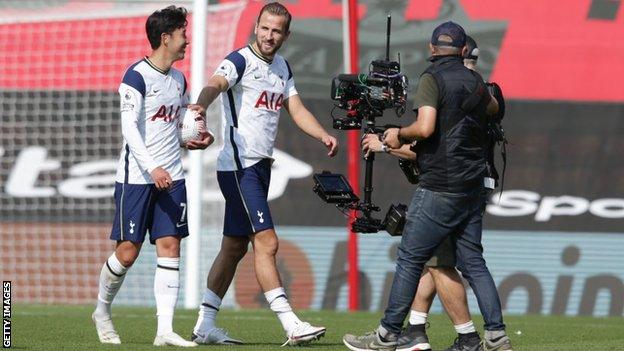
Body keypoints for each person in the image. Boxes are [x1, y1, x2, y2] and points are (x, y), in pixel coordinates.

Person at [343, 22, 513, 351]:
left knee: (409, 257)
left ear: (432, 49)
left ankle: (388, 334)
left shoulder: (431, 78)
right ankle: (495, 335)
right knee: (473, 262)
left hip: (440, 186)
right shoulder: (478, 82)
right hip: (472, 186)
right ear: (464, 50)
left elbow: (425, 127)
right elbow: (493, 109)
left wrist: (396, 135)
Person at [188, 2, 338, 347]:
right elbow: (216, 82)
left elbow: (296, 108)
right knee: (267, 242)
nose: (269, 36)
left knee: (233, 247)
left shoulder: (282, 67)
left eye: (277, 31)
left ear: (286, 35)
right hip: (240, 168)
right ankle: (291, 324)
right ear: (256, 26)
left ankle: (205, 325)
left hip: (259, 168)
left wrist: (322, 134)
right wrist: (201, 105)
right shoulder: (240, 59)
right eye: (265, 28)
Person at [91, 5, 212, 347]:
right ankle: (101, 311)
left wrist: (195, 140)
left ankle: (164, 331)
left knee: (170, 246)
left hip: (173, 176)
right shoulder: (135, 76)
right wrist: (151, 166)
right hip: (138, 177)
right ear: (166, 37)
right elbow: (129, 129)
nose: (187, 40)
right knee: (128, 252)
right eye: (183, 34)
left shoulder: (179, 79)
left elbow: (177, 127)